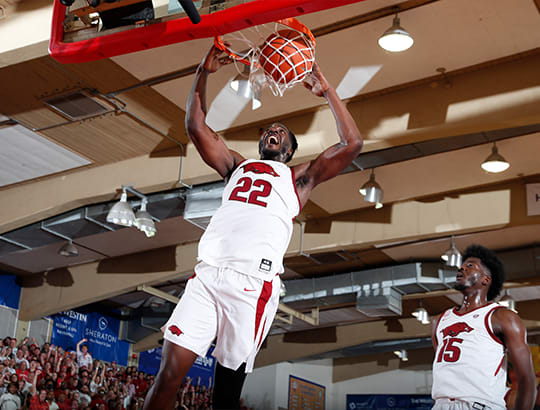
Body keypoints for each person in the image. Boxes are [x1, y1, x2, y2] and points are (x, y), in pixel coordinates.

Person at [143, 43, 363, 410]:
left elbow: (352, 143)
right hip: (208, 276)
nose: (272, 132)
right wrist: (203, 72)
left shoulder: (299, 179)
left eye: (280, 131)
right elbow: (195, 126)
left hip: (251, 286)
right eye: (268, 130)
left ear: (289, 149)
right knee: (168, 375)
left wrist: (328, 91)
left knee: (225, 397)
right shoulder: (236, 165)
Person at [431, 244, 536, 409]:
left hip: (479, 404)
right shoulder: (439, 321)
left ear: (485, 279)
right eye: (462, 265)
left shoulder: (502, 317)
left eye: (470, 266)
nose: (462, 268)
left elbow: (526, 379)